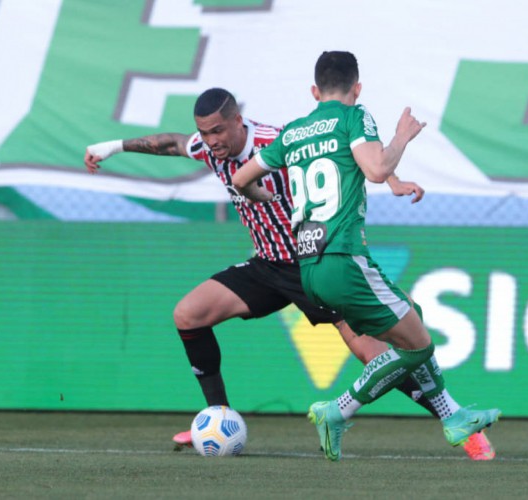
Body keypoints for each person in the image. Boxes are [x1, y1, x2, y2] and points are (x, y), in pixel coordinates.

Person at [85, 87, 495, 460]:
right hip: (267, 265)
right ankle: (217, 418)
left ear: (236, 121)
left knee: (377, 353)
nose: (210, 141)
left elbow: (344, 156)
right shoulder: (210, 150)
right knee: (187, 315)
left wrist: (394, 179)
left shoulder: (277, 141)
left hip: (312, 262)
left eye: (216, 131)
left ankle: (455, 421)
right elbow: (172, 144)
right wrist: (111, 146)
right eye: (204, 133)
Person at [231, 52, 500, 462]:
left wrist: (260, 196)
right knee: (419, 347)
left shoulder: (292, 133)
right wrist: (402, 137)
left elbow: (239, 179)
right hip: (344, 258)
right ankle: (337, 410)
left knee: (413, 313)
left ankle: (453, 417)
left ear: (314, 91)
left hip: (310, 268)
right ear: (357, 88)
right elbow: (373, 168)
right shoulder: (355, 116)